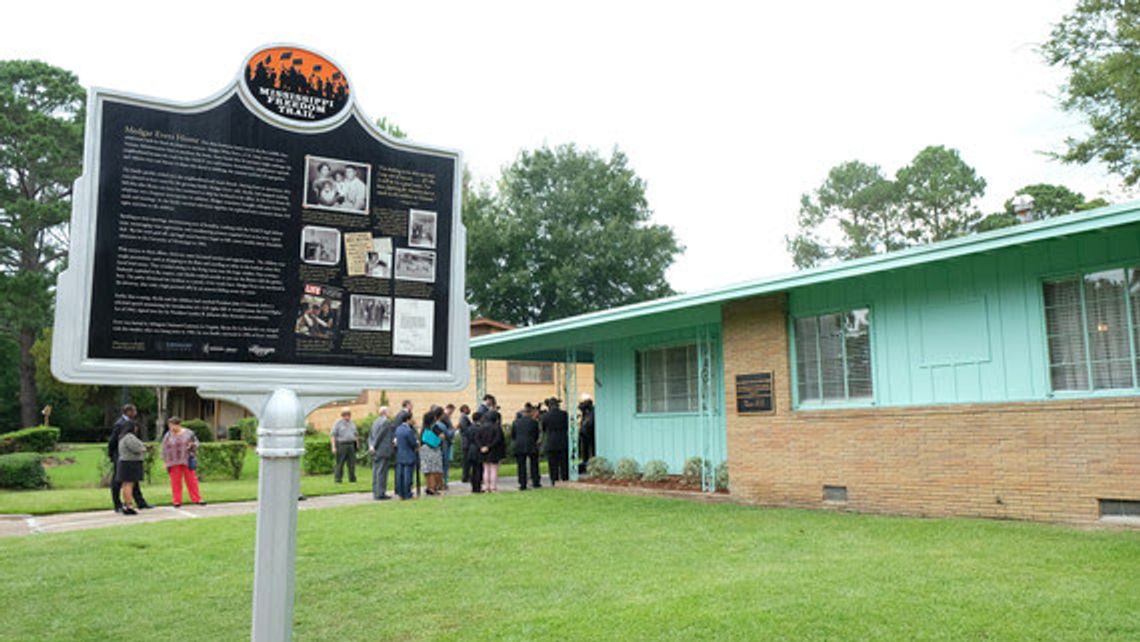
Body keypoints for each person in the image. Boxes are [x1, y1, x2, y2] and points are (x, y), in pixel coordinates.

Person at [108, 404, 150, 513]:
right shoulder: (120, 424)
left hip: (128, 456)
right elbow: (113, 441)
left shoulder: (132, 424)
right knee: (119, 481)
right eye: (134, 411)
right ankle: (118, 504)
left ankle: (140, 502)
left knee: (132, 481)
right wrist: (112, 455)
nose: (136, 413)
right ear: (128, 412)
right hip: (123, 455)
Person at [161, 416, 204, 508]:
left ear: (178, 425)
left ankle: (197, 499)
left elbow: (197, 443)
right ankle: (177, 501)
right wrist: (164, 461)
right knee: (175, 481)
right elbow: (164, 448)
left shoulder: (189, 433)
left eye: (173, 425)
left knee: (192, 480)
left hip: (187, 459)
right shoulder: (168, 435)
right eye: (170, 426)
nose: (171, 428)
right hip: (173, 461)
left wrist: (193, 445)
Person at [115, 421, 147, 516]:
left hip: (125, 462)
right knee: (129, 484)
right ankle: (129, 505)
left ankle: (126, 504)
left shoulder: (122, 437)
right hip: (130, 463)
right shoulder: (129, 437)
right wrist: (144, 448)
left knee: (126, 484)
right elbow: (137, 448)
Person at [511, 403, 542, 490]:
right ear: (530, 413)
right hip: (531, 444)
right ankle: (536, 482)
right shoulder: (534, 422)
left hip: (519, 445)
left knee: (521, 465)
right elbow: (536, 434)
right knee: (534, 464)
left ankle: (522, 483)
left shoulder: (516, 422)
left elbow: (513, 435)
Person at [367, 405, 395, 500]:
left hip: (375, 450)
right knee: (381, 472)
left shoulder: (375, 422)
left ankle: (376, 492)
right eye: (388, 411)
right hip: (382, 450)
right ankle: (380, 493)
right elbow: (380, 436)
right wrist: (374, 446)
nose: (390, 413)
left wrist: (371, 446)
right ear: (384, 412)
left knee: (376, 471)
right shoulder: (386, 422)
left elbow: (371, 435)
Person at [476, 406, 505, 492]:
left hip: (483, 451)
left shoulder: (481, 427)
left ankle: (486, 486)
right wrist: (489, 446)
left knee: (486, 469)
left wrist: (482, 446)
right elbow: (498, 439)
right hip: (494, 450)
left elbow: (477, 438)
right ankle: (493, 487)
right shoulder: (497, 427)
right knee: (493, 469)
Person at [541, 398, 570, 486]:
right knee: (564, 462)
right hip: (563, 441)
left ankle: (554, 480)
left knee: (552, 463)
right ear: (558, 405)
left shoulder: (545, 416)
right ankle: (565, 478)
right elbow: (567, 426)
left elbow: (544, 429)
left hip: (551, 442)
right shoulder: (564, 414)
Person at [419, 406, 445, 494]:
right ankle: (433, 488)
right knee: (434, 469)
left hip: (424, 449)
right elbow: (442, 436)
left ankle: (428, 486)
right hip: (433, 449)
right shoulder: (434, 426)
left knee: (427, 469)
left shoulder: (423, 428)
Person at [330, 408, 359, 483]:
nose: (347, 417)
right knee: (340, 463)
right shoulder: (337, 423)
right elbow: (333, 435)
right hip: (341, 445)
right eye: (345, 415)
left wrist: (357, 443)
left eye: (349, 415)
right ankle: (338, 479)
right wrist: (333, 447)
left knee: (352, 463)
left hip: (351, 444)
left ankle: (352, 479)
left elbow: (356, 434)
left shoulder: (352, 423)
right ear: (342, 415)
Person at [394, 412, 419, 500]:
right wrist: (416, 444)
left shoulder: (398, 429)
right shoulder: (408, 430)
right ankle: (408, 493)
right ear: (408, 419)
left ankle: (401, 493)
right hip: (408, 454)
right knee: (408, 476)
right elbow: (412, 442)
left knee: (400, 475)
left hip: (400, 454)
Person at [458, 405, 482, 492]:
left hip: (469, 444)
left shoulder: (465, 419)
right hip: (468, 444)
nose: (469, 410)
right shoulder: (464, 418)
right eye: (468, 408)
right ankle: (466, 477)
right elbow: (465, 430)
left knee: (470, 464)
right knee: (468, 463)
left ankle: (469, 478)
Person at [440, 404, 457, 489]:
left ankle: (442, 481)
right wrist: (453, 430)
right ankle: (444, 482)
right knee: (445, 463)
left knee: (443, 463)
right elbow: (448, 432)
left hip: (444, 443)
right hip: (445, 444)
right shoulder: (445, 419)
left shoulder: (443, 419)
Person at [578, 394, 596, 472]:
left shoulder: (592, 412)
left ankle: (591, 463)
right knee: (584, 450)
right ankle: (585, 462)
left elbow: (590, 423)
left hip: (590, 433)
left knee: (592, 449)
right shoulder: (585, 413)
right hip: (584, 434)